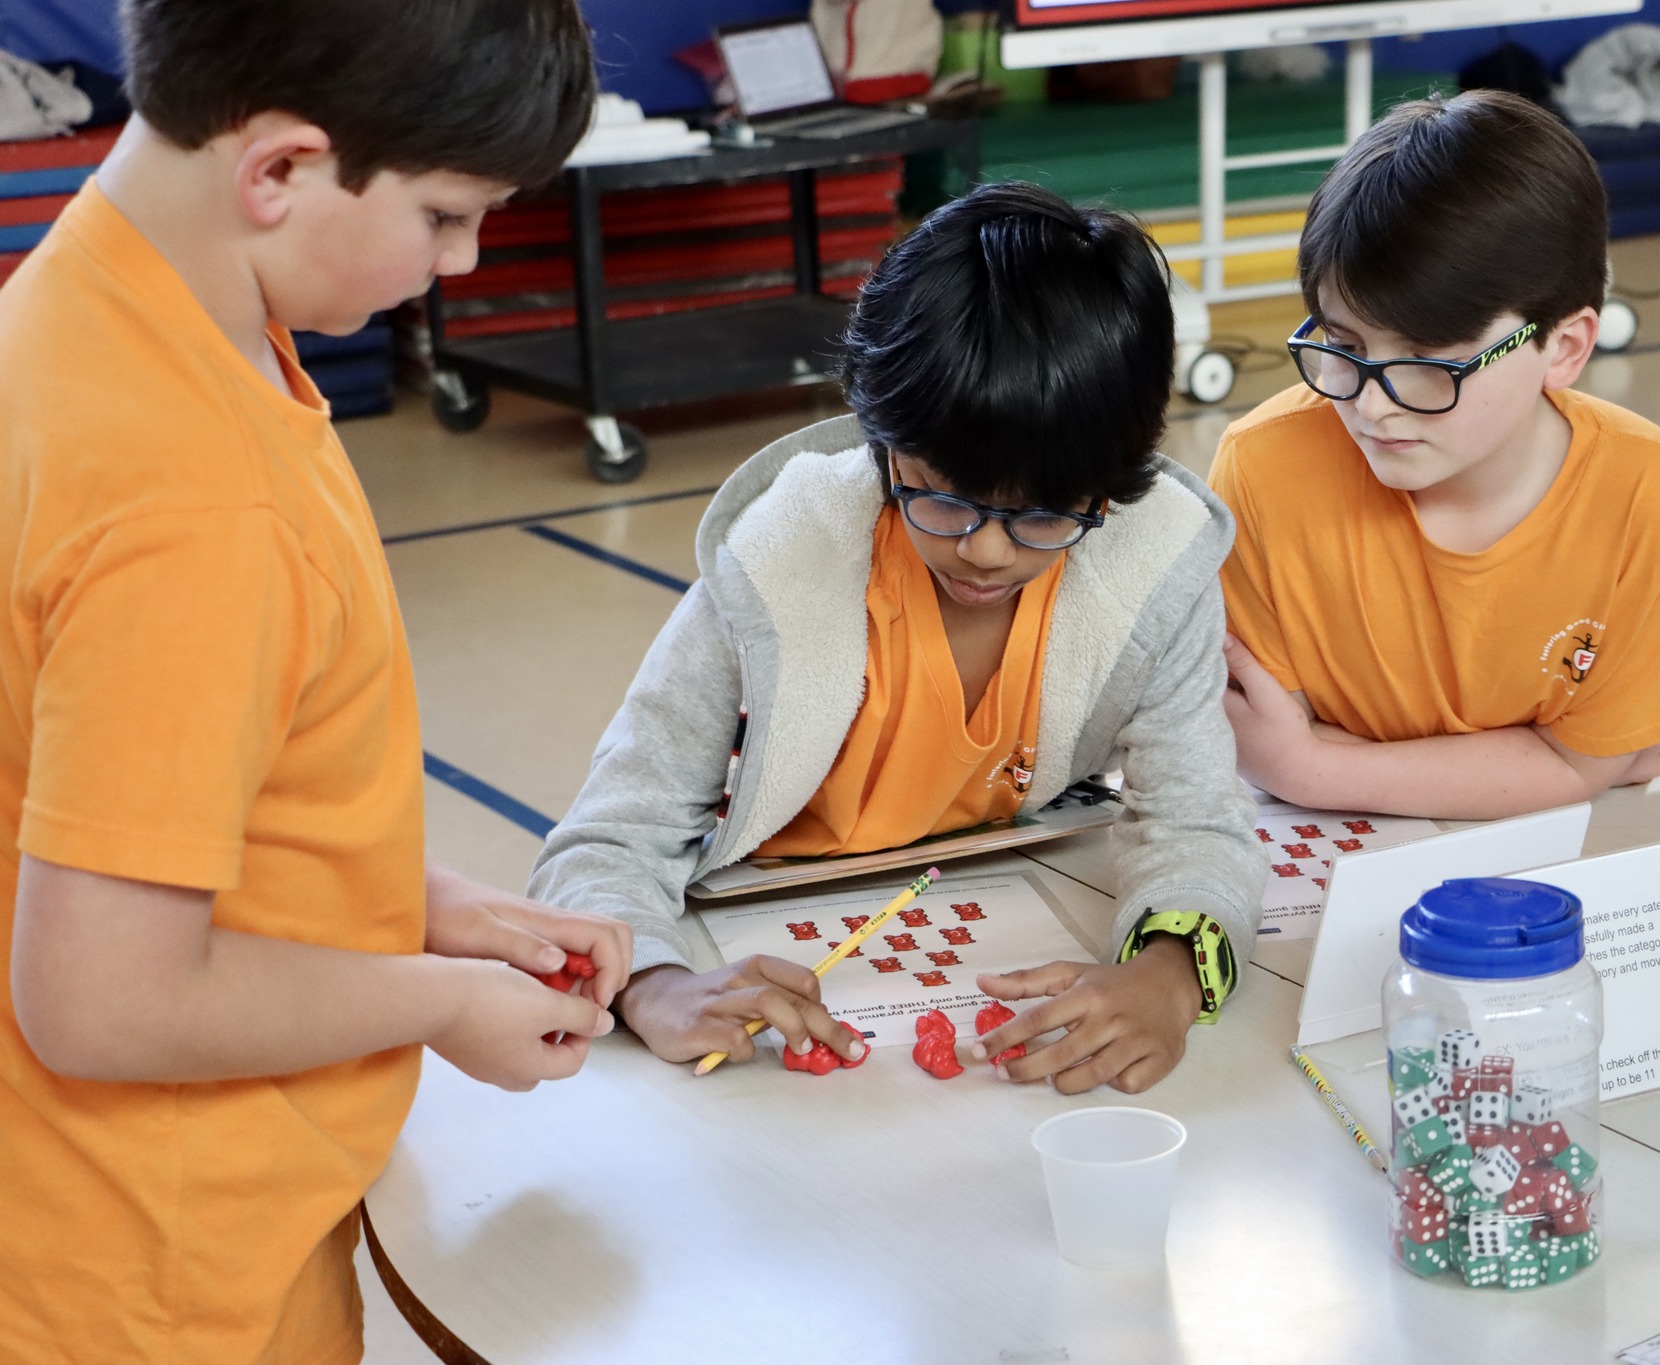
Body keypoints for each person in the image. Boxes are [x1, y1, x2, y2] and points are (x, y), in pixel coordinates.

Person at [0, 3, 631, 1360]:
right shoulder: (196, 502)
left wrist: (424, 904)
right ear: (278, 171)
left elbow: (110, 802)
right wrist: (438, 996)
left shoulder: (81, 316)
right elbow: (106, 997)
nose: (460, 263)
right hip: (162, 1271)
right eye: (448, 215)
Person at [530, 182, 1264, 1096]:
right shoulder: (777, 565)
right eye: (942, 494)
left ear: (1111, 492)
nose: (985, 550)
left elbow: (1195, 818)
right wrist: (656, 984)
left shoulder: (1154, 569)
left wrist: (1168, 977)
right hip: (757, 934)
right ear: (884, 441)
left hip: (976, 897)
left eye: (1042, 514)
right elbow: (603, 844)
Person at [1211, 91, 1660, 820]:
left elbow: (1574, 765)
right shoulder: (1263, 469)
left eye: (1430, 361)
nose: (1371, 403)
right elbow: (1578, 762)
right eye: (1343, 345)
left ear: (1564, 347)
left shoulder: (1657, 503)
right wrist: (1547, 763)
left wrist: (1311, 764)